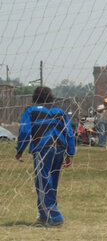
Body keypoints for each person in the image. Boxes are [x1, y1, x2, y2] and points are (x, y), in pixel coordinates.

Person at [15, 86, 75, 226]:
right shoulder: (60, 111)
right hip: (59, 148)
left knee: (42, 182)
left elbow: (24, 131)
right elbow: (69, 133)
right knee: (52, 182)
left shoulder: (31, 111)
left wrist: (20, 150)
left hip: (43, 149)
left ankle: (55, 217)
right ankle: (43, 215)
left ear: (35, 97)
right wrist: (70, 153)